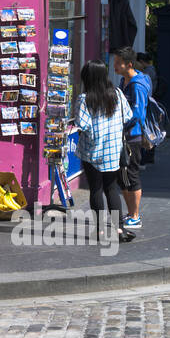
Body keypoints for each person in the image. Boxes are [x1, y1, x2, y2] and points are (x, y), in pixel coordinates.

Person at [74, 61, 136, 243]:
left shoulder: (84, 99)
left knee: (96, 189)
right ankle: (118, 229)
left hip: (91, 152)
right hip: (113, 151)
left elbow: (82, 124)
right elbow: (129, 116)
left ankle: (100, 231)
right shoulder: (117, 94)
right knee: (111, 189)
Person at [112, 46, 151, 230]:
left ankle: (135, 215)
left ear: (128, 64)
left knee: (132, 174)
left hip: (132, 136)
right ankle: (131, 213)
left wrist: (123, 125)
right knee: (123, 175)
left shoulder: (137, 85)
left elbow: (138, 113)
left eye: (118, 63)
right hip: (124, 135)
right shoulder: (124, 81)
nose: (115, 66)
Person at [135, 52, 158, 165]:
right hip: (148, 104)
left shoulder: (146, 74)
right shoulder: (149, 72)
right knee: (148, 129)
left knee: (146, 131)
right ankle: (149, 156)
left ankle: (147, 156)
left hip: (145, 105)